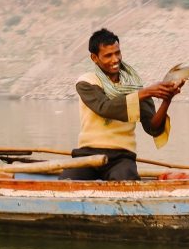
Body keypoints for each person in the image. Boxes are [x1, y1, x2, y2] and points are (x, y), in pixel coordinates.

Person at [61, 28, 182, 181]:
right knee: (67, 182)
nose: (115, 59)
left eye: (117, 53)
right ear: (94, 58)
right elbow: (105, 108)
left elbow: (153, 128)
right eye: (108, 55)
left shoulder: (135, 87)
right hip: (87, 155)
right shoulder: (87, 82)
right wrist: (146, 92)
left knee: (126, 181)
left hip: (121, 157)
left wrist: (167, 100)